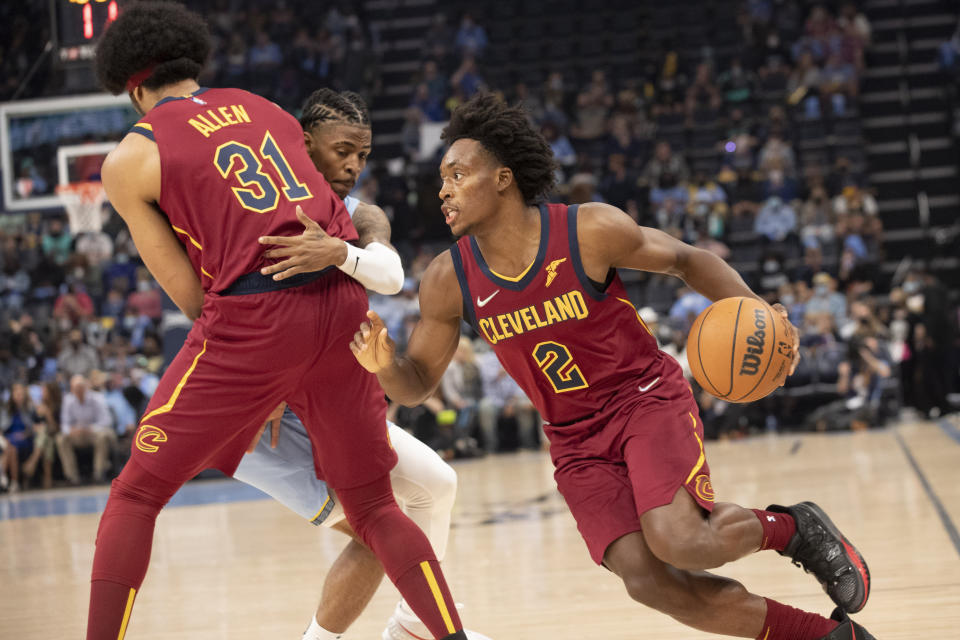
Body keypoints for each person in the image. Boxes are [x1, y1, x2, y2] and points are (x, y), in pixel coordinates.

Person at [350, 94, 877, 640]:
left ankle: (793, 529)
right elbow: (414, 384)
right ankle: (829, 637)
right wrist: (384, 365)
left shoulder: (587, 230)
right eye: (442, 178)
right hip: (574, 439)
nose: (444, 189)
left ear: (503, 178)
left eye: (458, 174)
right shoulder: (448, 277)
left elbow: (687, 259)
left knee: (681, 540)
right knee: (649, 581)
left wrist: (761, 312)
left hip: (642, 398)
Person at [88, 5, 467, 639]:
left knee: (135, 494)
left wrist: (256, 377)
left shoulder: (132, 156)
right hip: (344, 306)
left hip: (257, 318)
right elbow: (342, 212)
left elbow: (189, 295)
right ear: (191, 64)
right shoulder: (266, 108)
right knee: (375, 506)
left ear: (133, 88)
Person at [233, 88, 487, 640]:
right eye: (342, 149)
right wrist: (257, 382)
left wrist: (338, 254)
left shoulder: (358, 214)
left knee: (436, 485)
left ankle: (415, 625)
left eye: (362, 154)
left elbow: (391, 277)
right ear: (302, 144)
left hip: (329, 399)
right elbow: (216, 301)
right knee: (380, 533)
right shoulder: (251, 209)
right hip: (265, 414)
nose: (353, 164)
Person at [56, 374, 116, 485]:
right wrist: (71, 431)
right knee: (61, 439)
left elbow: (107, 421)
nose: (78, 391)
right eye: (75, 388)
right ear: (72, 389)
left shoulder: (97, 398)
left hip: (93, 433)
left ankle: (98, 474)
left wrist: (90, 428)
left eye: (80, 388)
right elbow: (64, 424)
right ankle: (72, 477)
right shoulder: (68, 400)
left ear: (85, 387)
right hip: (77, 435)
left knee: (103, 437)